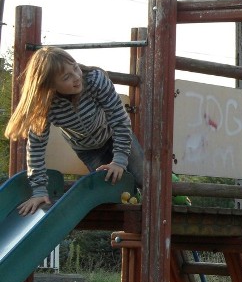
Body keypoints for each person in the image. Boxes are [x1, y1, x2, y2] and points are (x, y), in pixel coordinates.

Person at [4, 47, 144, 216]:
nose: (77, 77)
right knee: (113, 188)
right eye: (66, 77)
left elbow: (120, 120)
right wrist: (39, 191)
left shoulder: (94, 81)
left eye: (75, 68)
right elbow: (36, 148)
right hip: (88, 149)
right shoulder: (45, 105)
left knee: (143, 177)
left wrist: (120, 160)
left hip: (114, 134)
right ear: (50, 84)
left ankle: (159, 210)